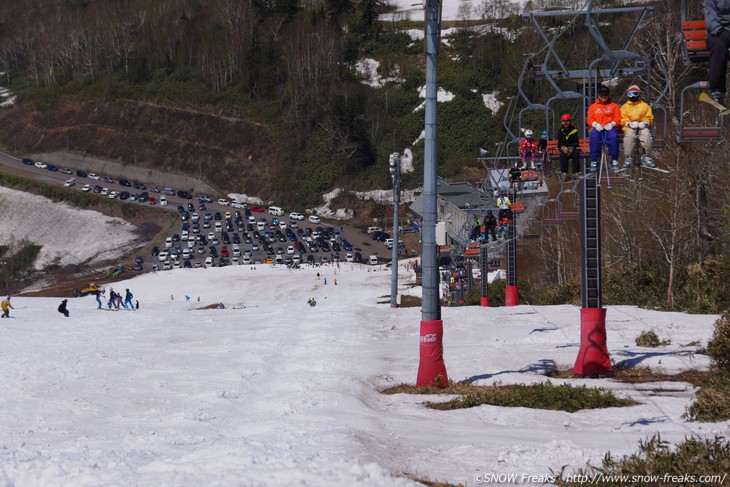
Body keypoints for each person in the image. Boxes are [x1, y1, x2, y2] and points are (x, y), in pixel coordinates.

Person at [587, 86, 622, 171]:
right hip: (597, 127)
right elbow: (589, 118)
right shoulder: (593, 106)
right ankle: (595, 160)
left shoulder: (614, 106)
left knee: (613, 137)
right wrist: (594, 124)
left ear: (608, 95)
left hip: (609, 127)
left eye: (605, 94)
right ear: (598, 95)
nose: (603, 96)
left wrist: (613, 123)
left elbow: (618, 117)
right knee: (594, 137)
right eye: (601, 94)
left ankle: (614, 159)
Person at [620, 85, 655, 168]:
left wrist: (646, 123)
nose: (633, 96)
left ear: (638, 94)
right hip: (630, 127)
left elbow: (649, 117)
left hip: (641, 126)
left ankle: (647, 156)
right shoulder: (625, 107)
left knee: (646, 134)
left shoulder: (645, 106)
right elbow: (623, 118)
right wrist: (628, 123)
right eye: (630, 94)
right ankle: (629, 157)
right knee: (629, 135)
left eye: (635, 93)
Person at [705, 0, 730, 105]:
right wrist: (720, 31)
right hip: (717, 33)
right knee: (719, 47)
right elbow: (711, 18)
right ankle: (717, 90)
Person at [557, 113, 581, 180]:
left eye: (567, 121)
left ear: (570, 122)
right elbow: (560, 142)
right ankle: (564, 173)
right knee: (563, 155)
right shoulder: (560, 131)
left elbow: (575, 141)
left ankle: (576, 172)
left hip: (572, 148)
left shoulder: (574, 131)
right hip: (564, 148)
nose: (565, 123)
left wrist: (571, 148)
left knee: (576, 154)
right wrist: (563, 147)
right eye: (564, 121)